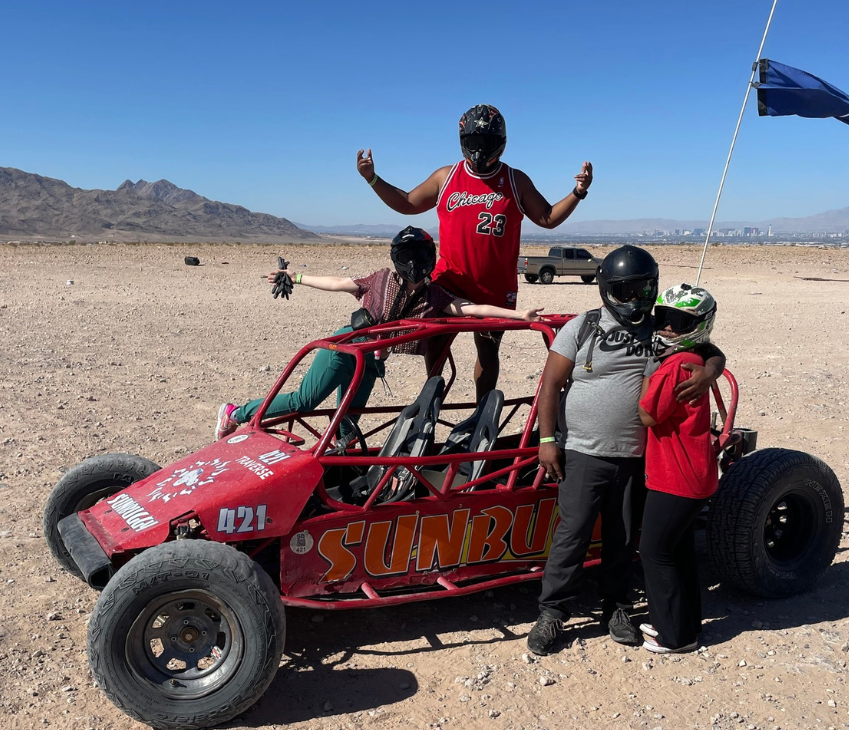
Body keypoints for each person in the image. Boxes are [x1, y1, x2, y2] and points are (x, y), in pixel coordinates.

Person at [526, 245, 726, 656]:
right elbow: (549, 386)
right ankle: (552, 613)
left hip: (638, 456)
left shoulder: (662, 326)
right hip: (584, 451)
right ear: (608, 289)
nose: (636, 298)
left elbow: (707, 345)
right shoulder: (583, 327)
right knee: (573, 534)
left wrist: (710, 371)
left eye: (643, 289)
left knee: (622, 537)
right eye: (626, 290)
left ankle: (616, 607)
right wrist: (547, 440)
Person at [215, 226, 544, 440]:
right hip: (344, 350)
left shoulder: (435, 296)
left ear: (429, 259)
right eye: (407, 258)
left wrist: (519, 314)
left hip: (371, 361)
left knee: (349, 419)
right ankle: (235, 413)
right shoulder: (381, 280)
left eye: (419, 257)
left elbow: (472, 308)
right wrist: (297, 278)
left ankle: (340, 467)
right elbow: (337, 283)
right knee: (305, 401)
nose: (414, 265)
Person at [356, 103, 592, 399]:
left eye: (487, 144)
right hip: (449, 284)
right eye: (474, 143)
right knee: (437, 347)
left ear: (500, 144)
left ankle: (482, 418)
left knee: (489, 352)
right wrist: (373, 179)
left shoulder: (515, 181)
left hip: (495, 289)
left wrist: (578, 193)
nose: (479, 151)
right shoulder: (446, 177)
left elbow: (547, 217)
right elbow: (407, 203)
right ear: (463, 142)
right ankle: (429, 409)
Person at [637, 284, 720, 654]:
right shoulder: (698, 362)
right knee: (680, 549)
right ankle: (686, 626)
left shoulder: (675, 366)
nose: (668, 327)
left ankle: (673, 637)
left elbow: (648, 414)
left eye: (679, 321)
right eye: (664, 317)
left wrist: (647, 374)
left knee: (655, 551)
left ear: (698, 324)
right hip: (693, 472)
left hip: (676, 475)